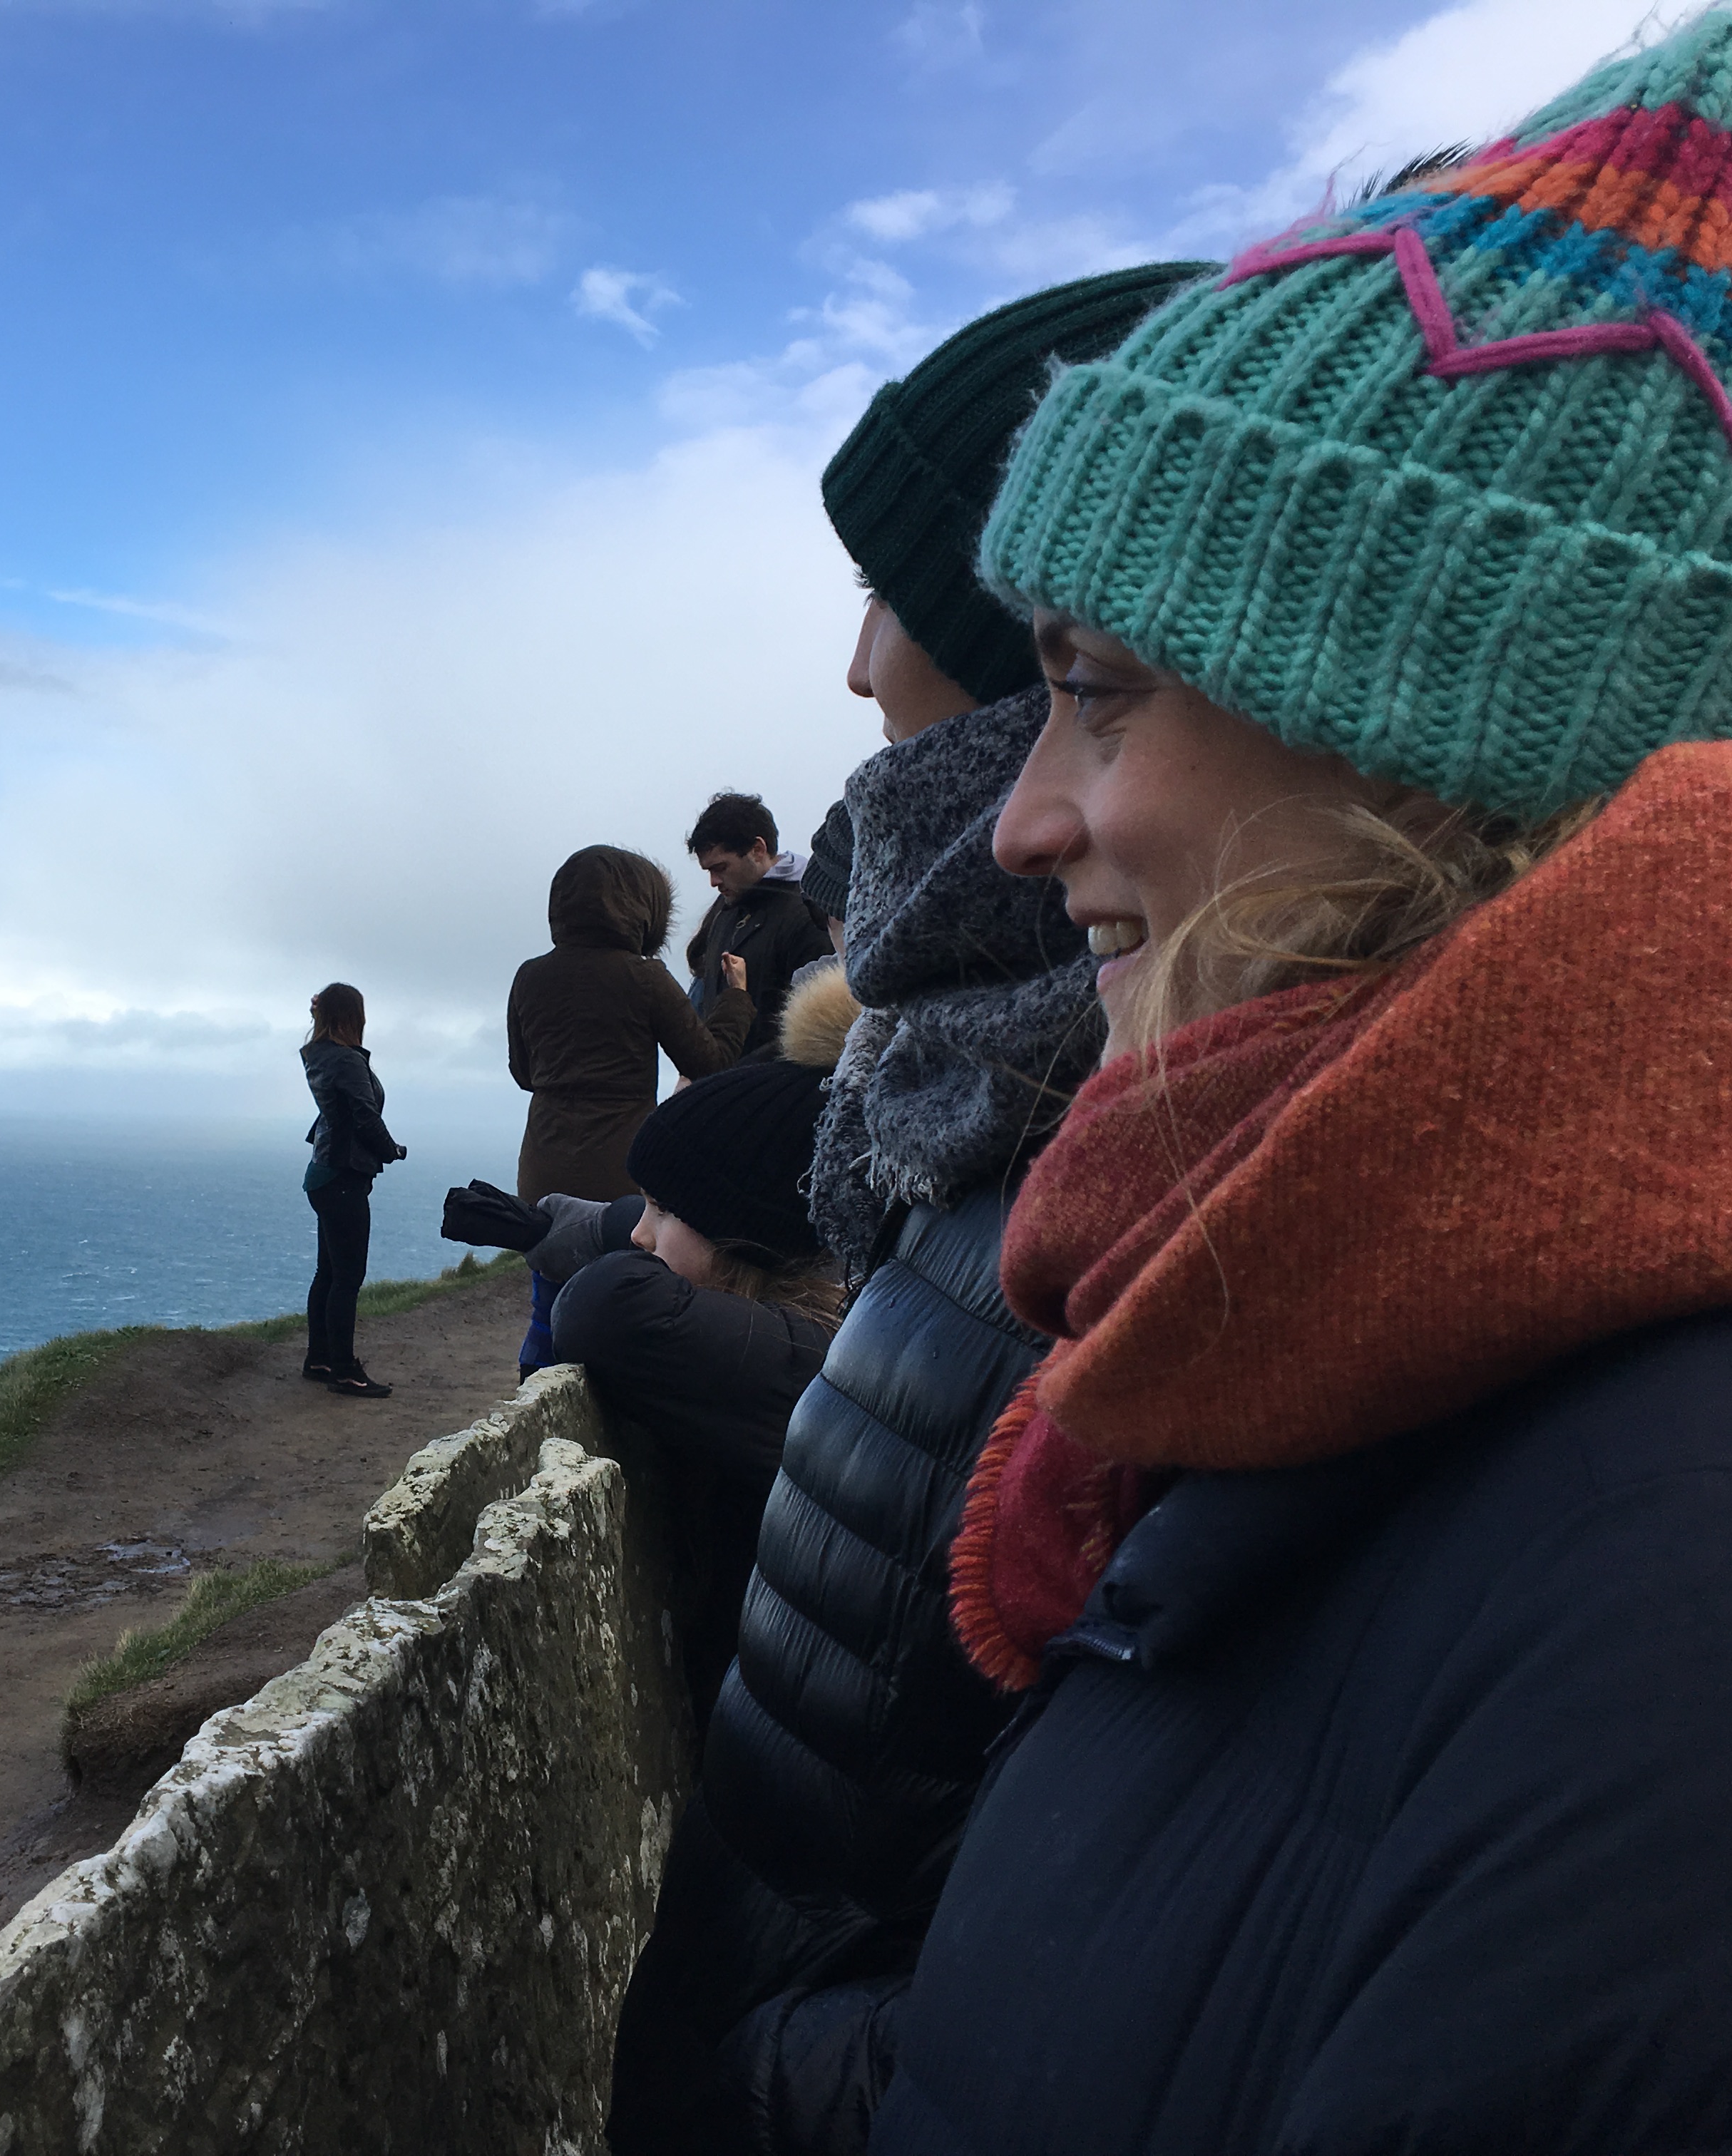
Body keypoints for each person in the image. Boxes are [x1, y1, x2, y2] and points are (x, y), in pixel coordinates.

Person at [864, 17, 1732, 2151]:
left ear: (1438, 754)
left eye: (1099, 693)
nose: (1021, 825)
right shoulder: (1339, 1321)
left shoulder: (1720, 1600)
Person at [605, 261, 1210, 2156]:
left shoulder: (1082, 1127)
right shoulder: (964, 1079)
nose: (854, 666)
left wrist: (769, 2078)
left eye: (1086, 683)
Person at [449, 1030, 847, 1721]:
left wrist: (588, 1237)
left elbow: (606, 1307)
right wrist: (558, 1227)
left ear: (745, 1237)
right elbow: (644, 1229)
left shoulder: (801, 1360)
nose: (640, 1234)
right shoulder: (804, 1314)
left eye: (664, 1210)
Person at [508, 846, 756, 1371]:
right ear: (638, 906)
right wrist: (737, 999)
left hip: (543, 1165)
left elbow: (524, 1074)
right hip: (617, 1172)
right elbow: (708, 1062)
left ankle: (532, 1408)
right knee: (614, 1310)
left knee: (547, 1305)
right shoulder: (644, 978)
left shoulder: (529, 976)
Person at [299, 982, 404, 1400]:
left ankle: (320, 1358)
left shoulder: (319, 1055)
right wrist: (391, 1149)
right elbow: (364, 1114)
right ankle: (344, 1370)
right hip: (344, 1175)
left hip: (323, 1173)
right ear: (353, 1017)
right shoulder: (346, 1061)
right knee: (347, 1277)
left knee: (328, 1273)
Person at [682, 794, 834, 1055]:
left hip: (777, 1086)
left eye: (721, 867)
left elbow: (819, 1024)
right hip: (723, 1081)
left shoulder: (812, 914)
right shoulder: (724, 909)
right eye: (709, 871)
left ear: (758, 850)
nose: (714, 882)